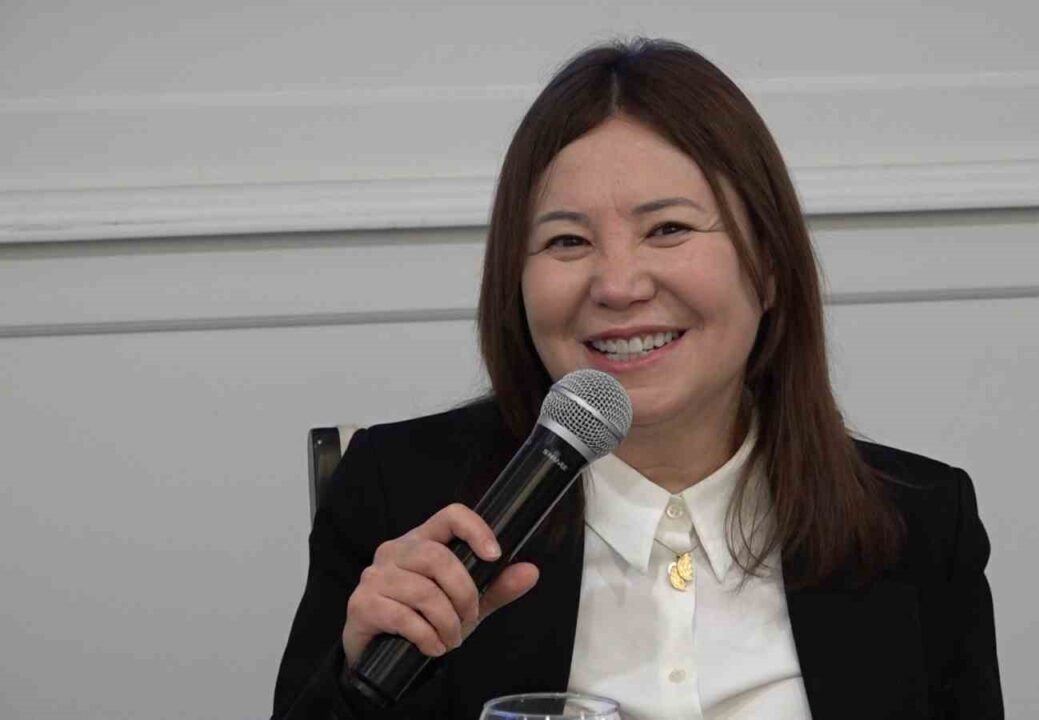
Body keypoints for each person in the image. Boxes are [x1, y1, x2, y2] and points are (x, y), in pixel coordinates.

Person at [272, 38, 1002, 719]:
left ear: (771, 265)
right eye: (568, 240)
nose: (618, 286)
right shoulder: (403, 498)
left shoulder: (919, 526)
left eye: (668, 230)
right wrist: (355, 684)